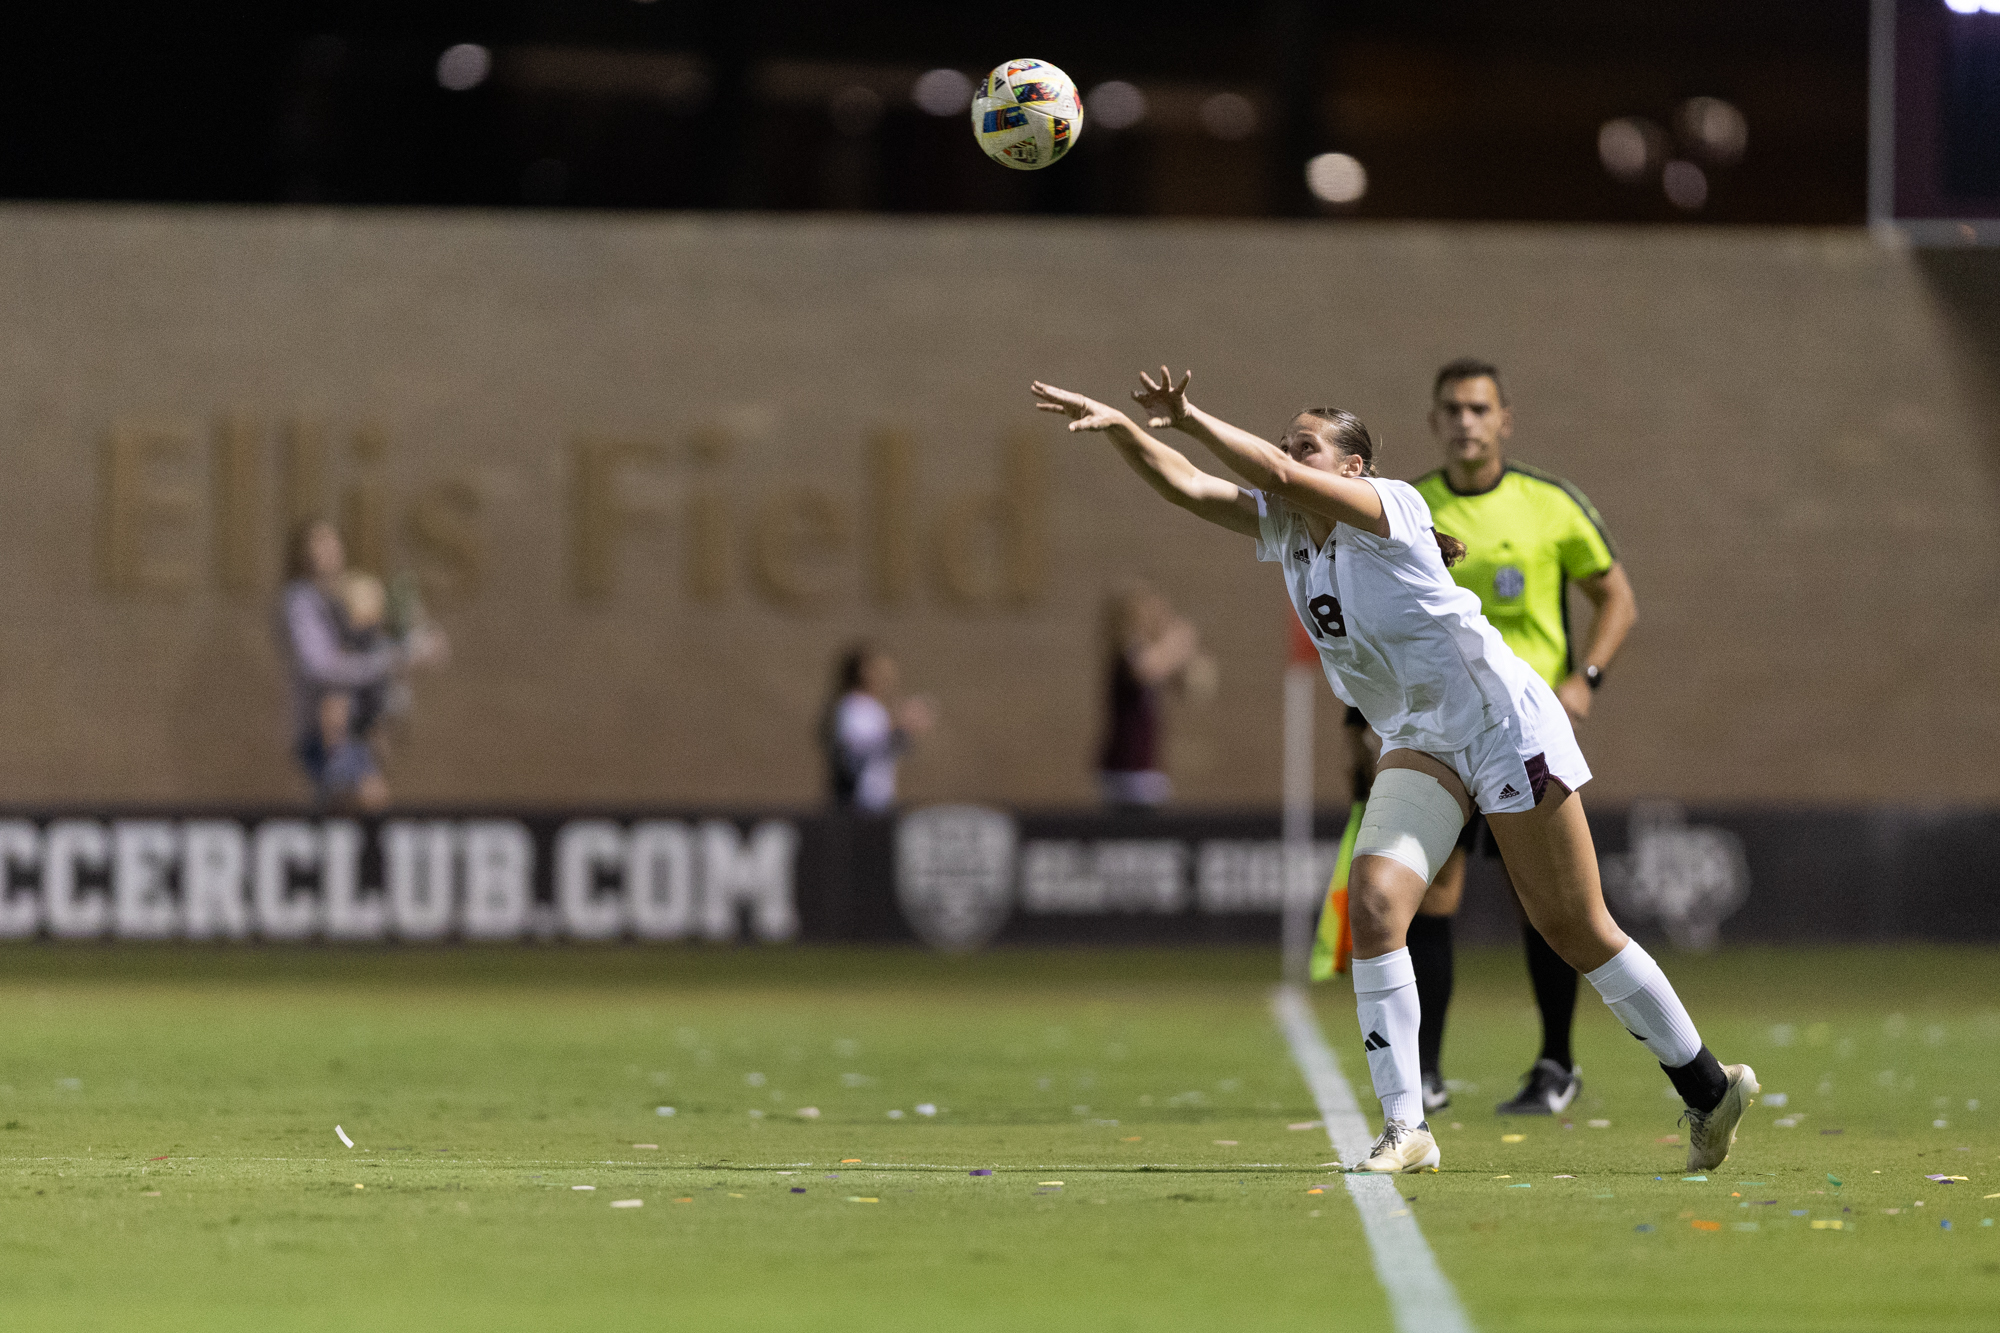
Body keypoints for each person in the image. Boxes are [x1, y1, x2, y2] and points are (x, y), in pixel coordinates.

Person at [1030, 367, 1754, 1175]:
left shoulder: (1395, 508)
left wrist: (1191, 414)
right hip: (1419, 736)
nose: (1287, 454)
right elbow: (1188, 487)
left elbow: (1262, 473)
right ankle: (1407, 1125)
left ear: (1353, 469)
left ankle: (1706, 1086)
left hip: (1501, 724)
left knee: (1575, 928)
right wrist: (1124, 430)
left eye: (1306, 445)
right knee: (1374, 904)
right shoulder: (1292, 530)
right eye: (1287, 442)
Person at [1403, 357, 1640, 1118]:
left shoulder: (1549, 505)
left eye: (1480, 408)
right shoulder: (1409, 507)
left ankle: (1555, 1063)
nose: (1466, 421)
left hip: (1522, 732)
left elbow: (1616, 598)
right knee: (1431, 893)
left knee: (1546, 900)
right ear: (1434, 420)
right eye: (1452, 409)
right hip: (1441, 727)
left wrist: (1587, 678)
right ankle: (1427, 1071)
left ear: (1506, 418)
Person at [278, 519, 444, 810]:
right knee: (365, 801)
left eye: (332, 541)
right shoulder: (301, 601)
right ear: (302, 552)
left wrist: (413, 638)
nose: (329, 550)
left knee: (347, 809)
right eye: (318, 542)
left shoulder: (341, 594)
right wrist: (395, 657)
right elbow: (323, 668)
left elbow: (381, 634)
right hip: (330, 731)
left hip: (362, 726)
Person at [1098, 582, 1216, 811]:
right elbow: (1148, 668)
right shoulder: (1127, 651)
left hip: (1145, 767)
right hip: (1125, 768)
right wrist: (1177, 640)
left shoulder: (1149, 651)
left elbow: (1182, 682)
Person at [820, 644, 935, 813]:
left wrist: (906, 730)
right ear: (862, 673)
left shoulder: (875, 708)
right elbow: (857, 749)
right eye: (877, 670)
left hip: (879, 798)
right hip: (858, 801)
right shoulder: (851, 706)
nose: (885, 676)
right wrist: (899, 726)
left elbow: (892, 749)